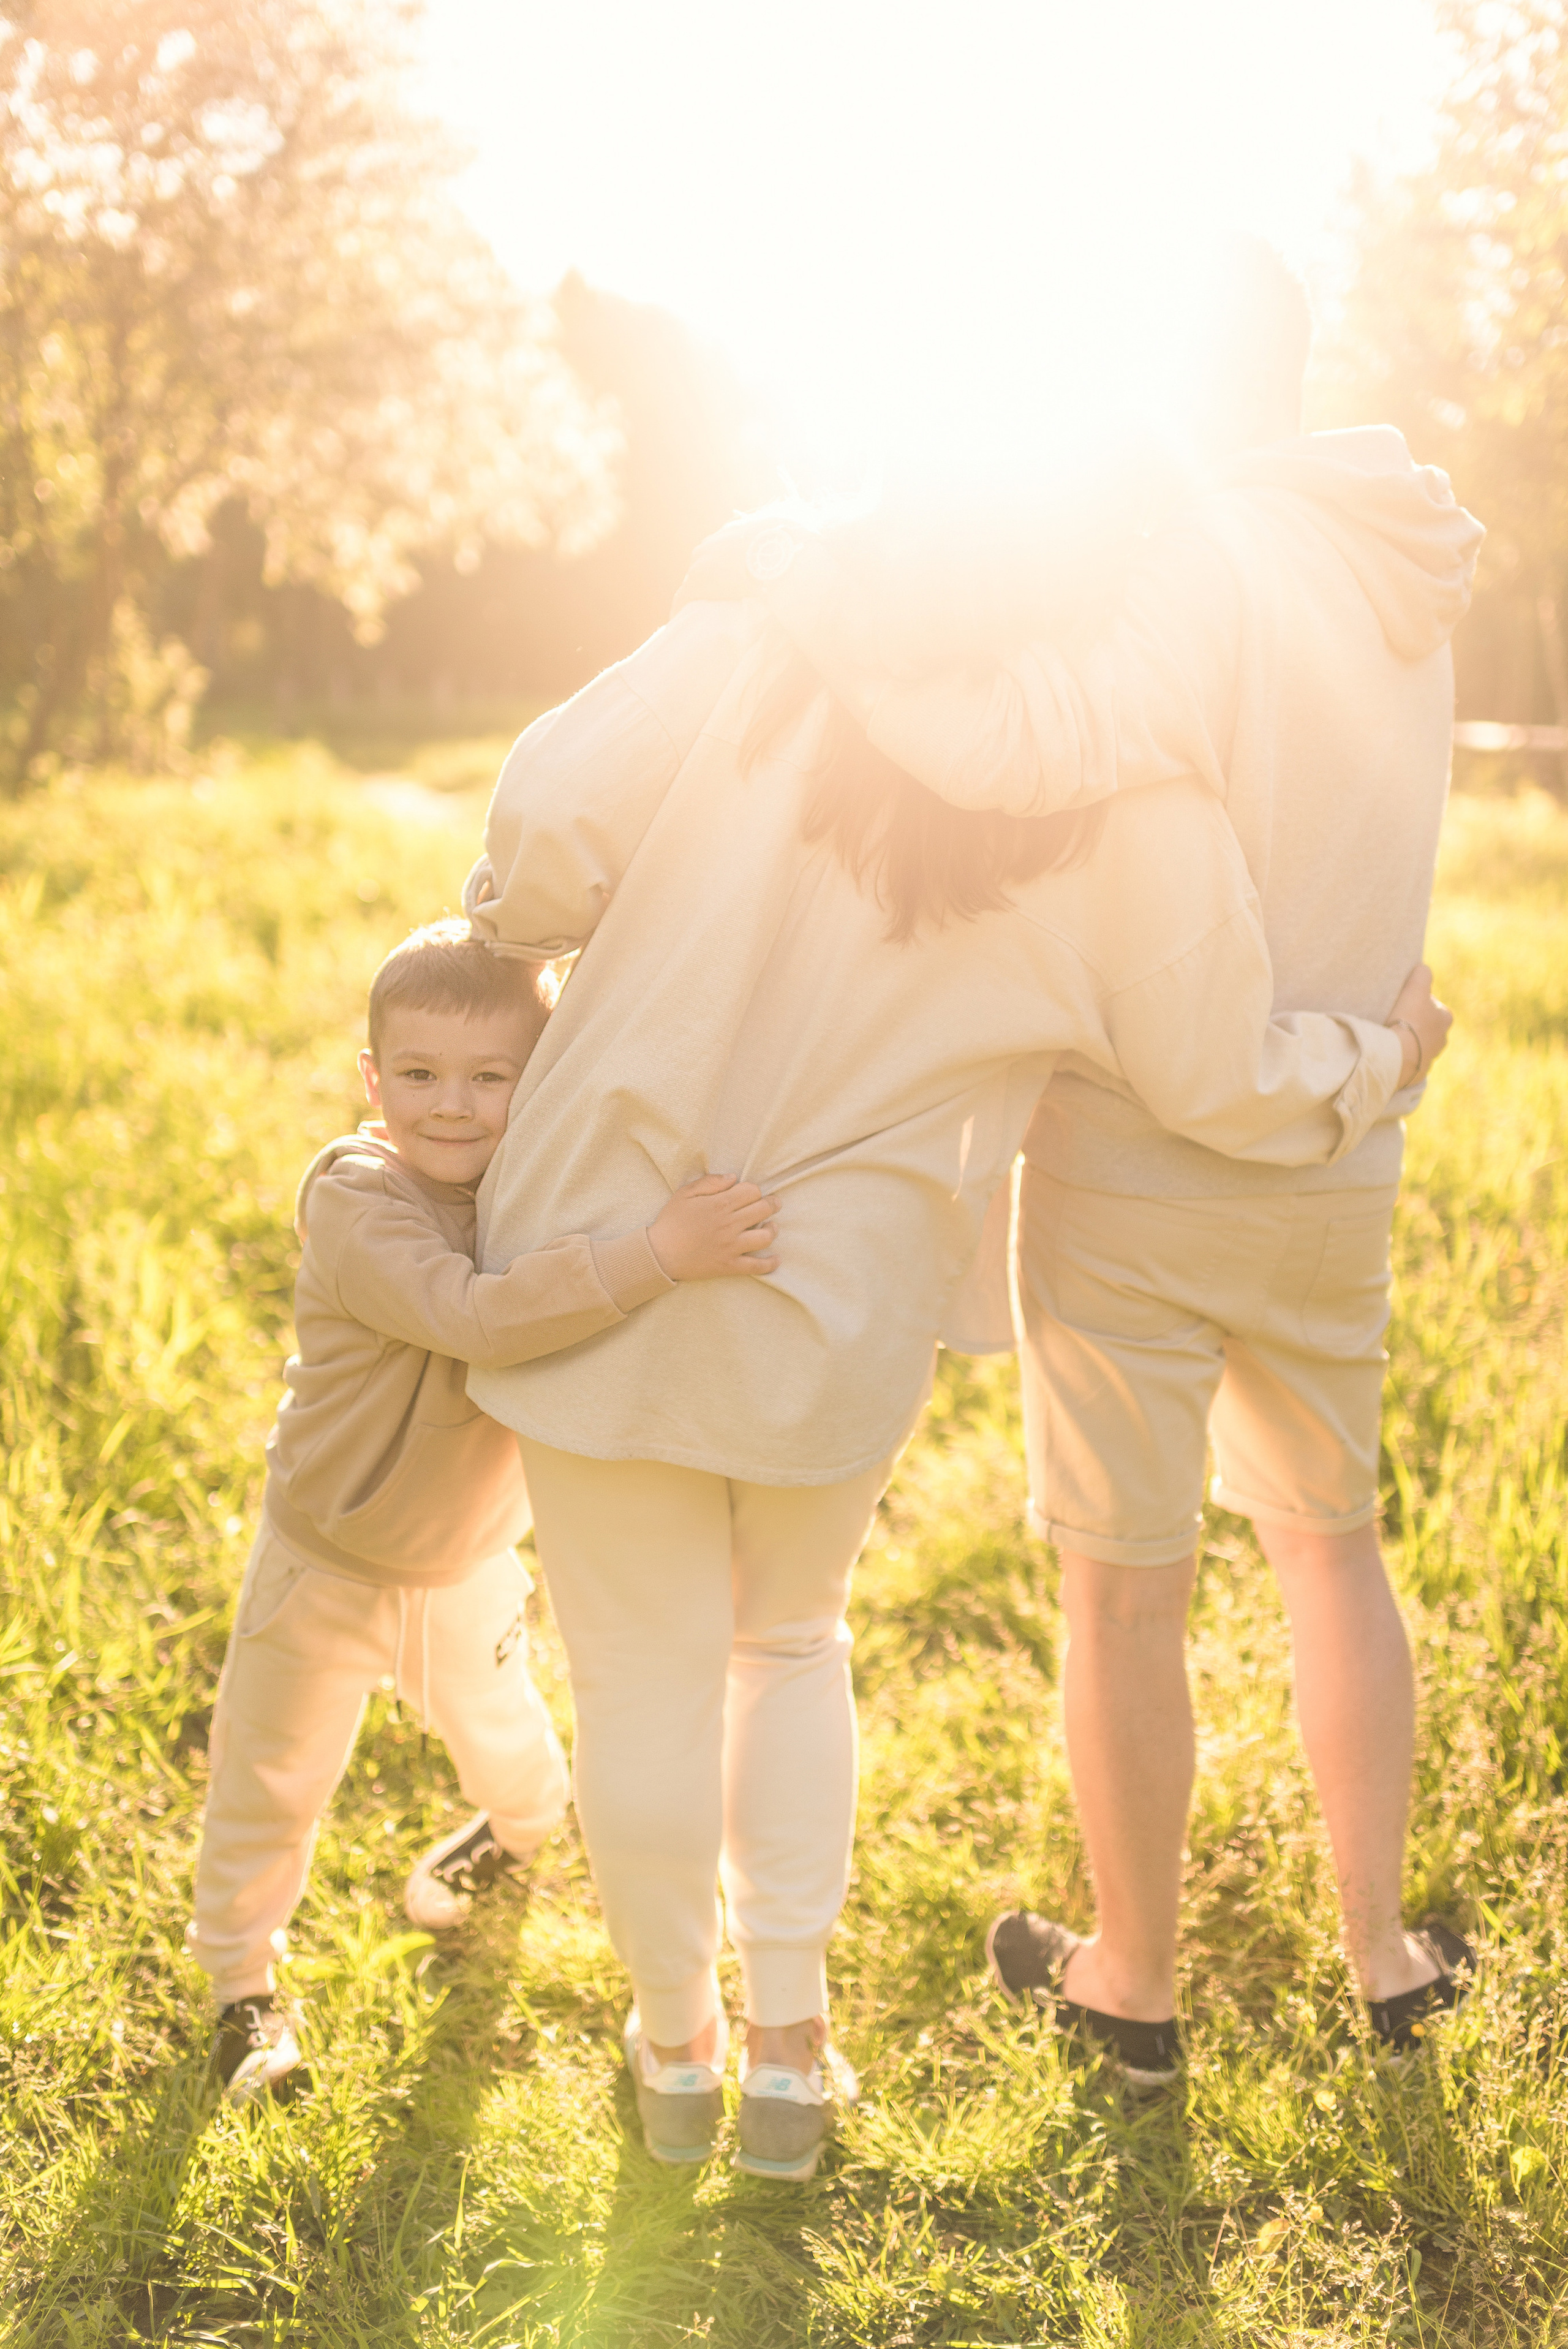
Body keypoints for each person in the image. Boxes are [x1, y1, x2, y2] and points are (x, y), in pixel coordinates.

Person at [459, 536, 1448, 2175]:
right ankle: (791, 2056)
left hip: (592, 1225)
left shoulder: (756, 633)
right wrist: (1379, 1055)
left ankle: (673, 2058)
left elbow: (549, 823)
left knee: (637, 1678)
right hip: (839, 1279)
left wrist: (519, 921)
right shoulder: (1135, 796)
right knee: (787, 1644)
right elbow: (1219, 1079)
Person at [685, 243, 1484, 2081]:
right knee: (1332, 1544)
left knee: (1127, 1582)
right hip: (1344, 1139)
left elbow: (1023, 742)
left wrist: (815, 591)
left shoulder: (1198, 560)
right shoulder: (1406, 571)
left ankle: (1134, 1980)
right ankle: (1381, 1956)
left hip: (1142, 1156)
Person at [187, 918, 778, 2104]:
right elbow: (476, 1315)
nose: (450, 1105)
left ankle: (511, 1838)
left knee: (507, 1737)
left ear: (537, 1082)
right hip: (327, 1560)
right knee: (269, 1774)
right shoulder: (359, 1199)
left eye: (489, 1077)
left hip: (465, 1565)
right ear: (372, 1079)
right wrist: (660, 1252)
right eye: (417, 1074)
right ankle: (240, 1988)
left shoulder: (530, 1188)